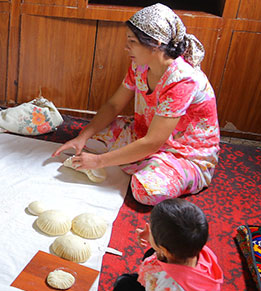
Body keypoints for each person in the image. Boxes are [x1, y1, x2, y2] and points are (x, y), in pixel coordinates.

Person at [52, 3, 220, 206]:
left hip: (184, 152)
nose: (126, 47)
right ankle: (137, 159)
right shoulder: (140, 65)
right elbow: (114, 105)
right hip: (145, 132)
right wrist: (82, 136)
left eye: (132, 41)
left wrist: (99, 162)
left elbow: (153, 142)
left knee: (145, 191)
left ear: (156, 43)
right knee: (91, 136)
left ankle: (151, 165)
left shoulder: (182, 80)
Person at [113, 198, 223, 291]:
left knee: (122, 285)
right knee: (150, 254)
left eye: (151, 230)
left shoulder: (172, 289)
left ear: (164, 250)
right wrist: (153, 240)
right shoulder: (200, 250)